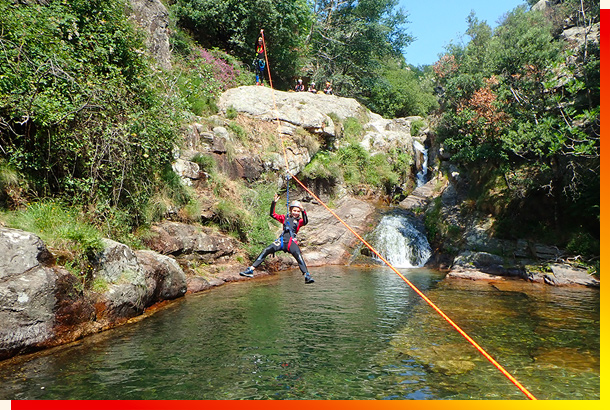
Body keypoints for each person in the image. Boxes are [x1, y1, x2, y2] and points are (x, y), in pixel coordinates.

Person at [240, 194, 315, 284]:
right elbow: (272, 214)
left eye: (298, 211)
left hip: (291, 243)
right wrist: (274, 203)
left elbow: (306, 221)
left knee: (299, 257)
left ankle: (307, 275)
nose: (296, 213)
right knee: (266, 250)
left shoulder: (299, 221)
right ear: (290, 210)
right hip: (282, 241)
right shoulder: (285, 218)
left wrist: (303, 211)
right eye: (294, 210)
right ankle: (251, 270)